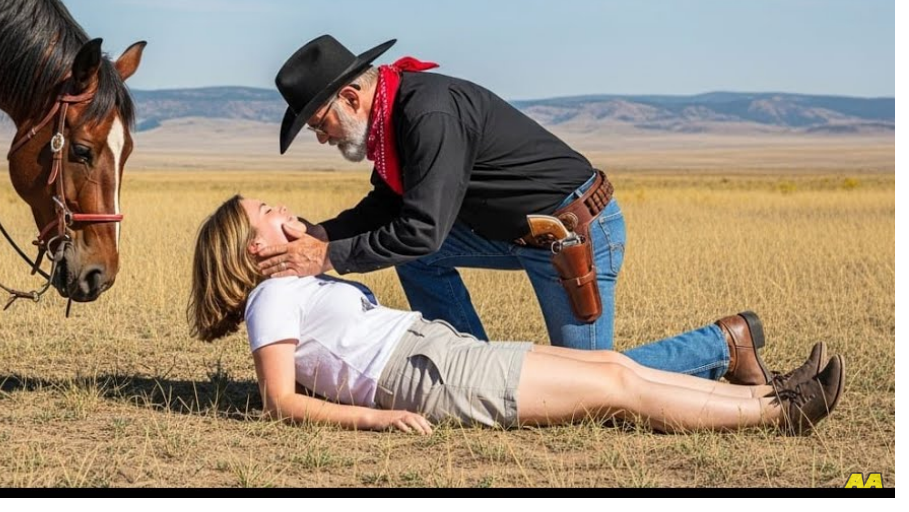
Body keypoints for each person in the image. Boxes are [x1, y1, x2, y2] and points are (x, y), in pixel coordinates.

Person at [253, 35, 771, 385]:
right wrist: (319, 232)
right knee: (411, 254)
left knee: (585, 387)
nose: (321, 138)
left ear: (350, 96)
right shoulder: (394, 120)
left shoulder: (427, 113)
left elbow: (423, 230)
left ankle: (724, 345)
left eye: (319, 123)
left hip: (572, 238)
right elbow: (386, 206)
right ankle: (472, 367)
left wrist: (326, 256)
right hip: (511, 232)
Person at [189, 194, 844, 437]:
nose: (278, 207)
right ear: (253, 249)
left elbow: (313, 366)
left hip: (434, 352)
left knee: (610, 364)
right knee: (615, 389)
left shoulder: (290, 289)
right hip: (428, 375)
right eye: (264, 213)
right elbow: (279, 399)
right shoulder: (270, 296)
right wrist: (377, 416)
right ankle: (781, 413)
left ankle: (770, 391)